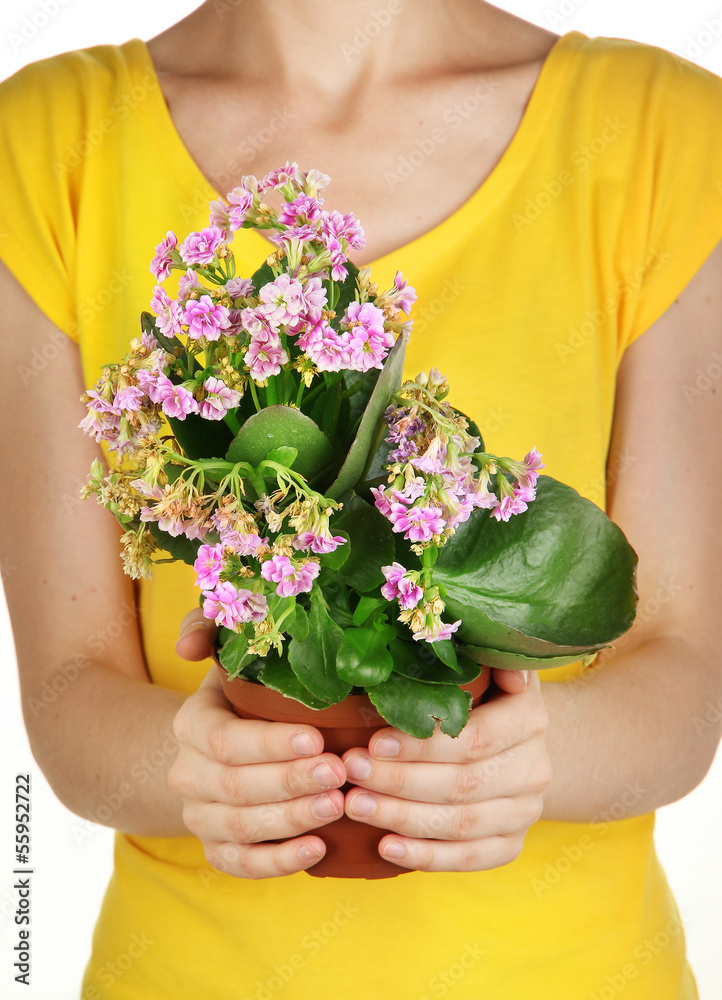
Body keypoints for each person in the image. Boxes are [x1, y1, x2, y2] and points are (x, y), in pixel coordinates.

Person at [1, 1, 720, 997]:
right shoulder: (46, 142)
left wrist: (528, 761)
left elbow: (682, 681)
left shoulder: (660, 131)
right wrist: (189, 766)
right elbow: (66, 689)